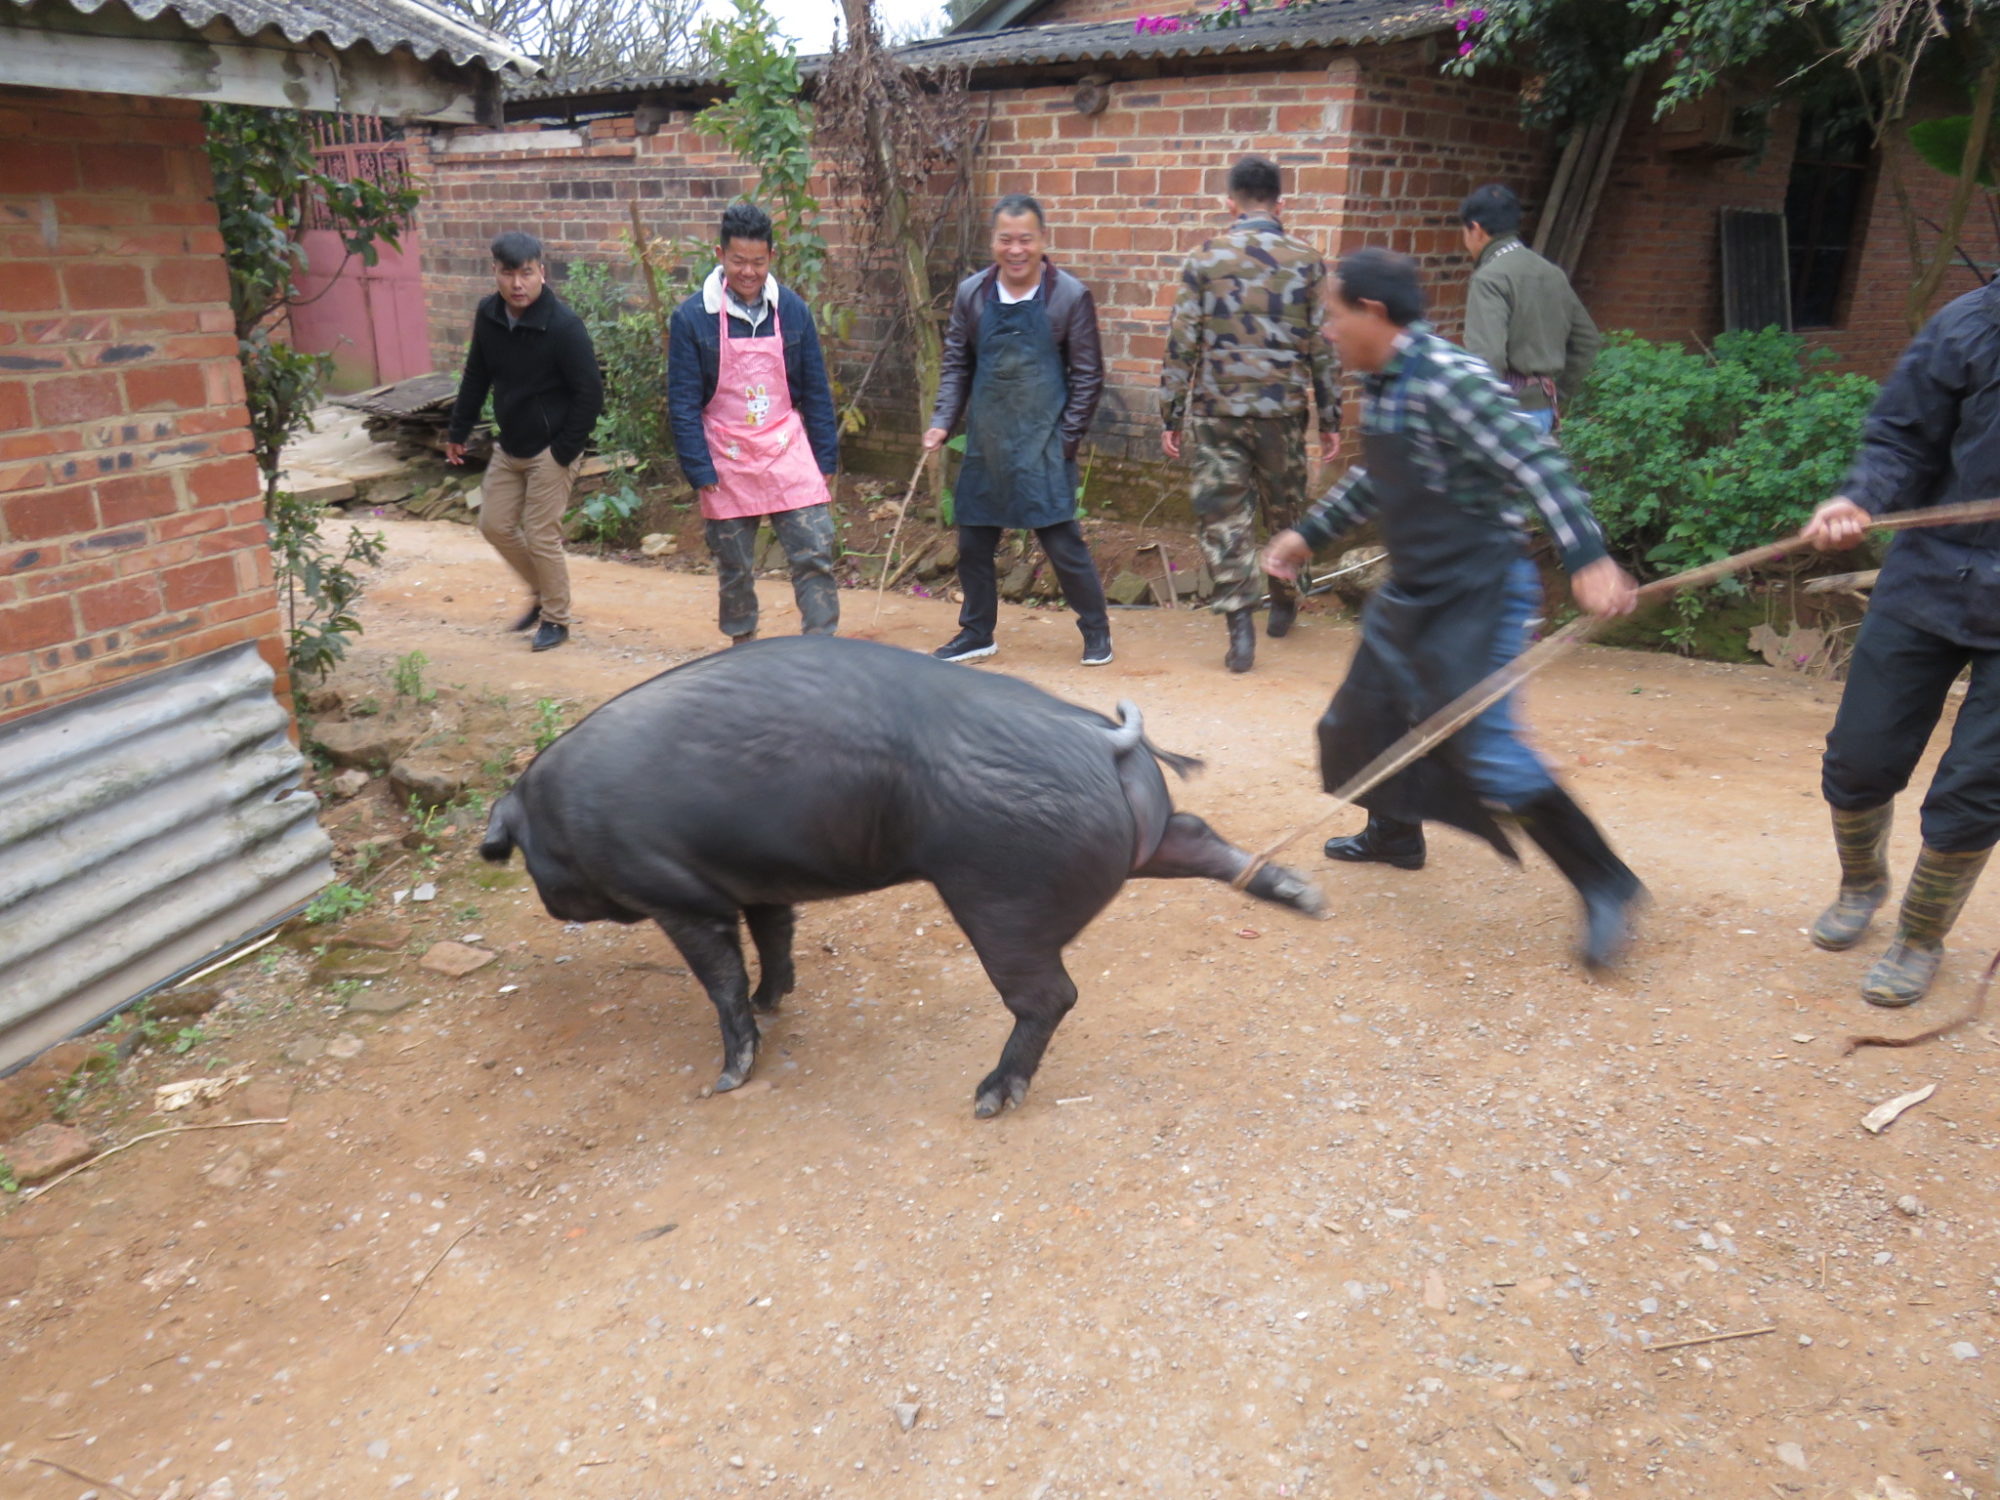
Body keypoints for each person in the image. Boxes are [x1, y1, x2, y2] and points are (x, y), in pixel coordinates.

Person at [1262, 248, 1644, 969]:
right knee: (1362, 721)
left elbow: (1536, 463)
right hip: (1416, 588)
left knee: (1488, 753)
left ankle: (1608, 883)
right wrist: (1306, 536)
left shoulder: (1455, 380)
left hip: (1482, 593)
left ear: (1373, 313)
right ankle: (1396, 835)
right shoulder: (1383, 383)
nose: (1330, 332)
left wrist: (1587, 556)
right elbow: (1377, 480)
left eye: (1335, 316)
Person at [1800, 282, 2000, 1008]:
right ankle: (1862, 884)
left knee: (1977, 786)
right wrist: (1860, 498)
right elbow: (1901, 437)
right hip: (1930, 575)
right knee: (1859, 755)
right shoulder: (1969, 327)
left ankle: (1920, 935)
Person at [1161, 155, 1342, 674]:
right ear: (1280, 203)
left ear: (1230, 202)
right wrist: (1330, 419)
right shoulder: (1308, 261)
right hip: (1282, 411)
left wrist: (1169, 413)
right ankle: (1284, 601)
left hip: (1218, 410)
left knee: (1225, 517)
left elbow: (1181, 343)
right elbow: (1323, 347)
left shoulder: (1203, 259)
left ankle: (1240, 629)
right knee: (1285, 510)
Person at [924, 194, 1112, 666]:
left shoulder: (1068, 296)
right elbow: (955, 366)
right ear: (993, 242)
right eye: (1006, 239)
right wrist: (943, 422)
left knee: (1062, 542)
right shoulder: (972, 295)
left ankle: (1096, 630)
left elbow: (1089, 376)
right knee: (972, 542)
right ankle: (976, 633)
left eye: (1026, 239)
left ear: (1042, 240)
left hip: (1044, 440)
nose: (1016, 249)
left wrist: (1066, 439)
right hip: (988, 439)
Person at [668, 202, 841, 644]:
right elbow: (683, 403)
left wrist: (825, 460)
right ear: (720, 255)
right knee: (735, 563)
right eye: (739, 261)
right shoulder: (692, 318)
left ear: (772, 258)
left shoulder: (794, 312)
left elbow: (816, 391)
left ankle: (820, 647)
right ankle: (742, 647)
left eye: (758, 262)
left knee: (815, 548)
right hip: (725, 453)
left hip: (786, 446)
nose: (748, 271)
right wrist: (699, 469)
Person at [446, 230, 604, 652]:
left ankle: (556, 618)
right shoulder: (489, 315)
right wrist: (458, 430)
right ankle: (542, 591)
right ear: (494, 272)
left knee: (540, 533)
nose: (518, 284)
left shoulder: (563, 327)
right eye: (508, 273)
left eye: (527, 273)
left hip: (552, 447)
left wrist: (565, 450)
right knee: (493, 524)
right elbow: (476, 374)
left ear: (542, 273)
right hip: (511, 443)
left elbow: (591, 393)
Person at [1458, 184, 1600, 435]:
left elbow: (1487, 357)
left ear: (1476, 229)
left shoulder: (1489, 278)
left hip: (1505, 418)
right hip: (1543, 411)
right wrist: (1558, 394)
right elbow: (1587, 339)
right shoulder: (1551, 272)